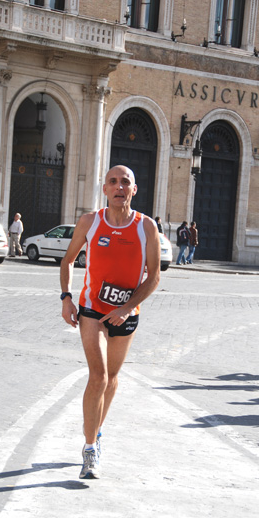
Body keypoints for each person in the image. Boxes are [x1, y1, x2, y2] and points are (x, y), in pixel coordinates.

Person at [60, 165, 161, 479]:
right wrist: (66, 297)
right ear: (104, 189)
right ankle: (89, 449)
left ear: (134, 189)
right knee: (99, 376)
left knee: (113, 378)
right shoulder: (90, 222)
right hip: (92, 310)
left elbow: (154, 276)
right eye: (113, 182)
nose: (119, 187)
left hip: (126, 313)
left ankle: (96, 429)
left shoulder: (146, 228)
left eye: (125, 182)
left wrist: (129, 307)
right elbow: (67, 261)